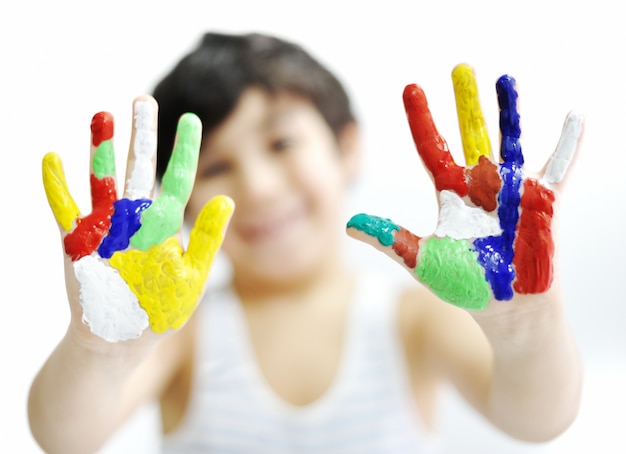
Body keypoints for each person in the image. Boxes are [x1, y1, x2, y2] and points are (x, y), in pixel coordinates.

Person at [28, 31, 584, 453]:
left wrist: (524, 324)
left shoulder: (412, 318)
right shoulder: (179, 335)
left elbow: (536, 419)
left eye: (281, 141)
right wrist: (100, 351)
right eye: (217, 165)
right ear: (181, 203)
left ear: (346, 147)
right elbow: (65, 437)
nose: (260, 188)